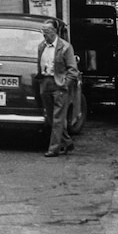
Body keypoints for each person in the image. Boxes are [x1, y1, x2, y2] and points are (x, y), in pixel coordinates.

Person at [37, 20, 80, 157]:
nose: (44, 35)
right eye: (43, 32)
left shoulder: (66, 47)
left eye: (47, 32)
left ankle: (54, 148)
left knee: (57, 118)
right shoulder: (41, 47)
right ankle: (67, 142)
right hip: (45, 82)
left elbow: (73, 70)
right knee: (51, 117)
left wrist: (65, 84)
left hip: (59, 84)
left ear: (55, 31)